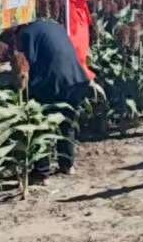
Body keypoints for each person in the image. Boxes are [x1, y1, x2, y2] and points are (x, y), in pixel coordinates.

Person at [12, 17, 93, 173]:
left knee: (39, 122)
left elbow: (29, 63)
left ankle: (42, 171)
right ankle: (67, 165)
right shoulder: (55, 26)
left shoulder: (27, 34)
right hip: (76, 78)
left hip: (53, 81)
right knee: (67, 122)